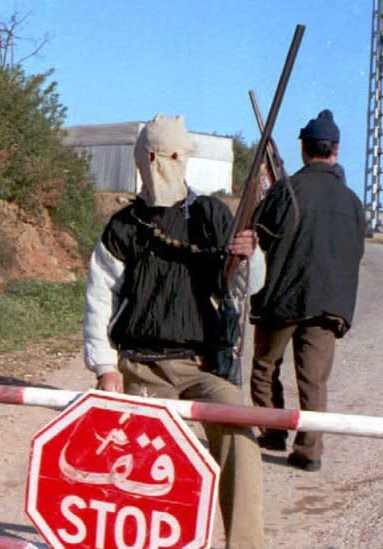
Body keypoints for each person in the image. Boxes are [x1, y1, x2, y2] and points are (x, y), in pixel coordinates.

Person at [83, 114, 267, 548]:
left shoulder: (210, 216)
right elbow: (98, 296)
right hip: (140, 369)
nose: (165, 163)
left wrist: (249, 255)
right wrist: (105, 368)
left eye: (175, 156)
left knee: (240, 438)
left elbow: (246, 286)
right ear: (145, 158)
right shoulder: (124, 226)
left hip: (198, 368)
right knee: (141, 467)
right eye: (160, 156)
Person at [250, 109, 366, 472]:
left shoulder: (287, 190)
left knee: (265, 367)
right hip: (329, 304)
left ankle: (272, 433)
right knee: (313, 380)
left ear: (304, 149)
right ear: (336, 150)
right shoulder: (352, 202)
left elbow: (259, 238)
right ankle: (309, 451)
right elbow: (355, 252)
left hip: (282, 299)